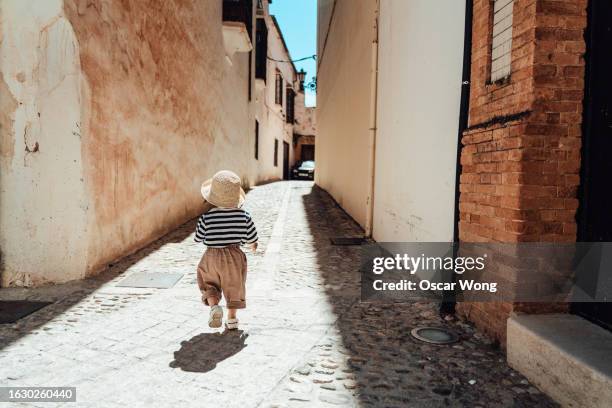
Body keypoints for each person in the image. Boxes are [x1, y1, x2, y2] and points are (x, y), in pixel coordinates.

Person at [194, 170, 258, 330]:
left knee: (209, 283)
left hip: (211, 256)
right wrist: (253, 245)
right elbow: (252, 237)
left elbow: (198, 238)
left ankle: (214, 306)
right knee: (234, 286)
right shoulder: (244, 216)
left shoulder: (206, 217)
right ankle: (232, 319)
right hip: (234, 256)